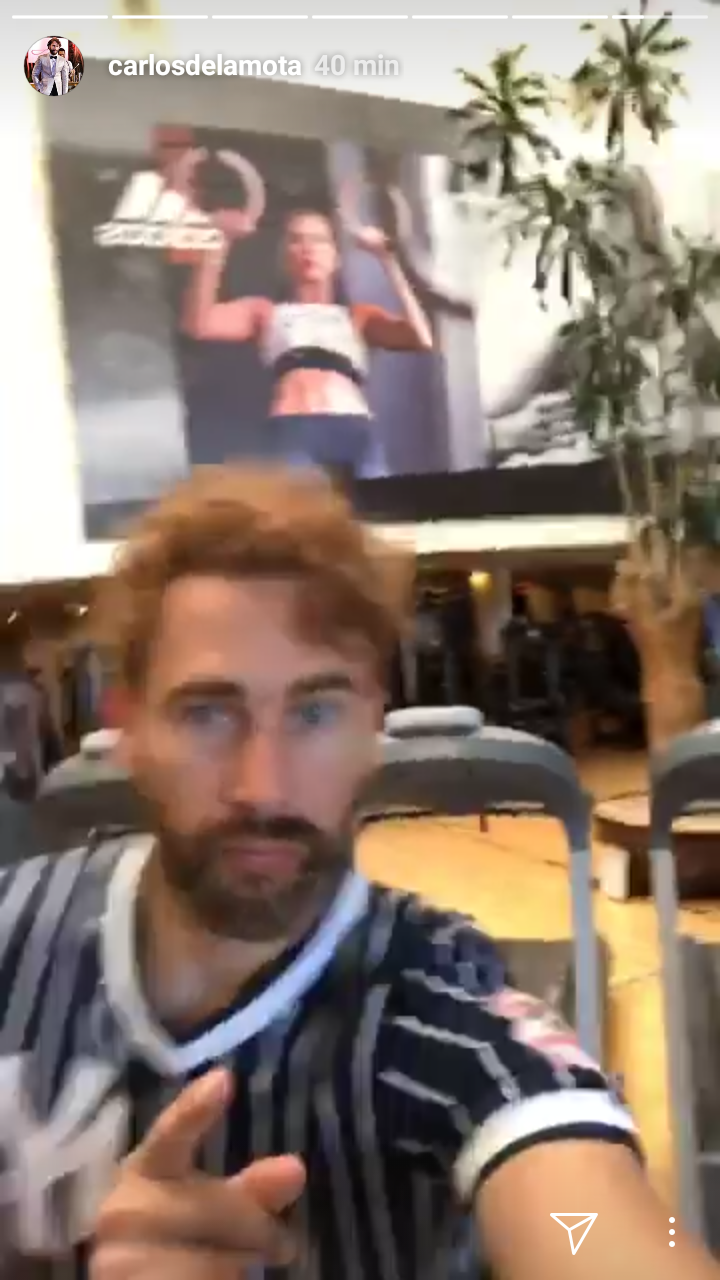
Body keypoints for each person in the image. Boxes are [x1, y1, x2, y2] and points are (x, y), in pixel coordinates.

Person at [0, 468, 717, 1280]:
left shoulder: (441, 1008)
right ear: (129, 731)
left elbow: (593, 1223)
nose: (264, 787)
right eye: (208, 713)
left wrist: (615, 1238)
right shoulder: (14, 939)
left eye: (315, 712)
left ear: (374, 726)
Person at [177, 150, 433, 481]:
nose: (308, 249)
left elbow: (421, 338)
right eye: (296, 240)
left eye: (318, 240)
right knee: (302, 509)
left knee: (381, 506)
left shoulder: (357, 316)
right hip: (295, 427)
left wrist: (387, 259)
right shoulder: (265, 313)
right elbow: (198, 324)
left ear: (335, 256)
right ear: (285, 256)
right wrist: (218, 244)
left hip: (353, 428)